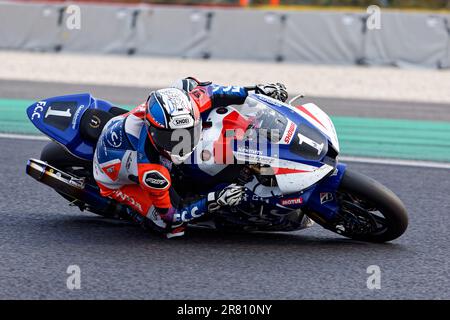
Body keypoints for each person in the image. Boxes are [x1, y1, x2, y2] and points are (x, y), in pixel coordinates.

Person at [93, 77, 288, 238]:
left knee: (187, 85)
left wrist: (257, 91)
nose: (180, 143)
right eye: (170, 138)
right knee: (168, 228)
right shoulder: (151, 171)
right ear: (154, 132)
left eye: (187, 132)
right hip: (110, 174)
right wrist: (215, 199)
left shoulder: (190, 103)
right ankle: (126, 211)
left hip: (123, 125)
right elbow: (172, 214)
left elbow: (216, 92)